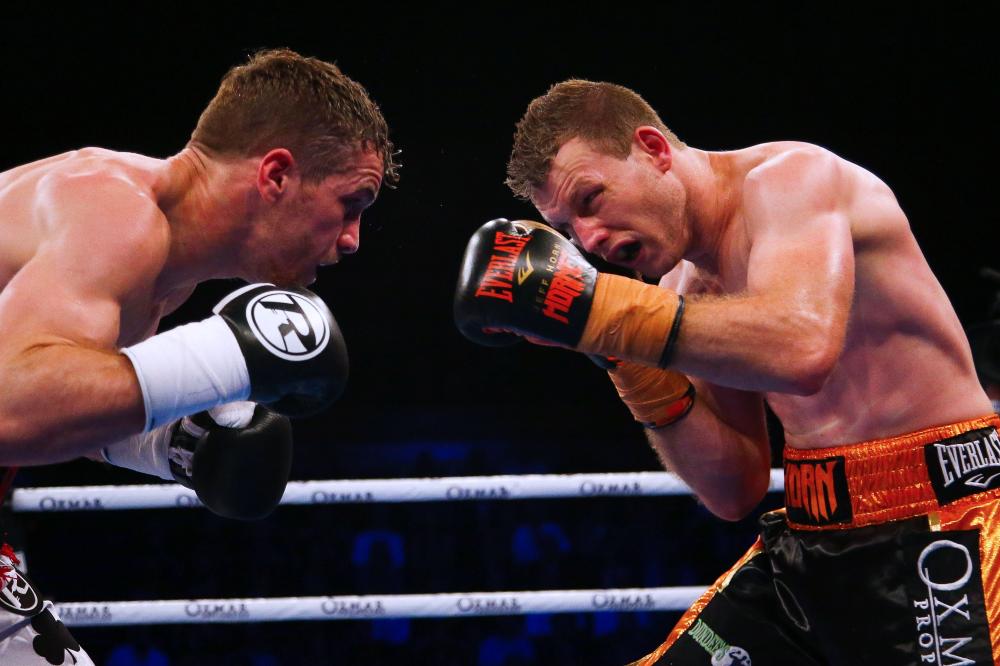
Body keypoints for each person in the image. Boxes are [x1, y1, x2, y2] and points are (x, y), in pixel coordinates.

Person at [455, 79, 997, 664]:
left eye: (590, 200)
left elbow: (802, 347)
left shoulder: (792, 181)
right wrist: (620, 359)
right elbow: (733, 489)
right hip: (810, 544)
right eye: (567, 230)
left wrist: (599, 312)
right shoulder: (676, 293)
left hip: (946, 525)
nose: (588, 241)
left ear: (653, 149)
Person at [0, 48, 397, 664]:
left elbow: (53, 400)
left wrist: (172, 444)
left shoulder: (164, 270)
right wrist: (225, 357)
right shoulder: (115, 213)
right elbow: (8, 408)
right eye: (352, 204)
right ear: (275, 176)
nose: (351, 240)